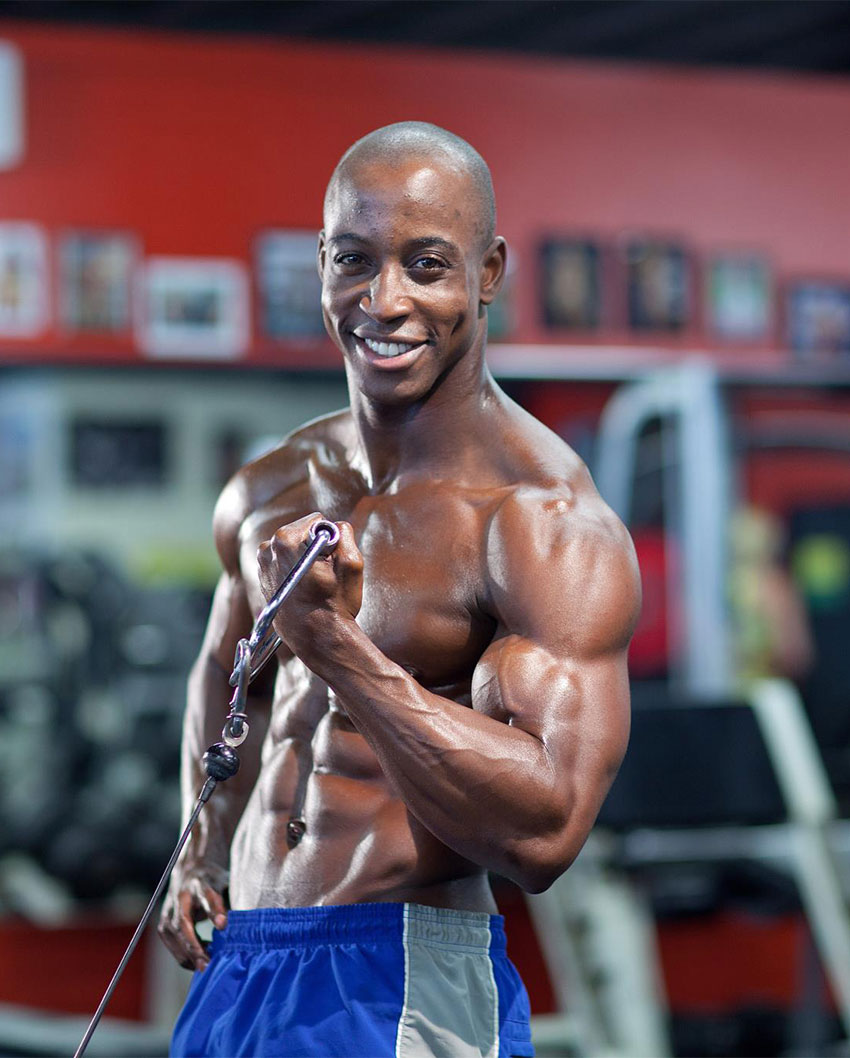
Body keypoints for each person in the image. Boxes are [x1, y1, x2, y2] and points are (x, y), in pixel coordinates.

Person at [158, 121, 640, 1058]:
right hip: (246, 960)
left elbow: (544, 833)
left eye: (426, 265)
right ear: (322, 266)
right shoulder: (271, 488)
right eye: (355, 260)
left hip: (405, 970)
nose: (385, 301)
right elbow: (228, 680)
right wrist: (199, 847)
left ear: (488, 271)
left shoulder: (536, 520)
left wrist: (335, 646)